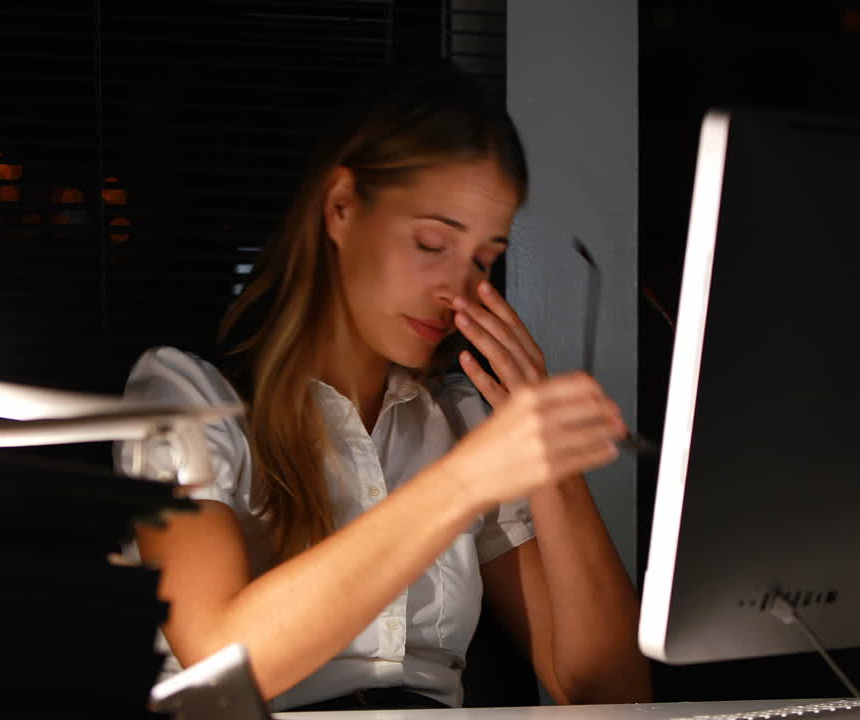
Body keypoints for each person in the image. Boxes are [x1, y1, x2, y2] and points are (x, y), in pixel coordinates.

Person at [114, 62, 651, 712]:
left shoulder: (457, 420)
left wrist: (552, 464)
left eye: (484, 259)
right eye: (432, 242)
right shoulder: (187, 402)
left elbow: (610, 693)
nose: (457, 289)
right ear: (341, 208)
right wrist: (466, 481)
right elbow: (215, 661)